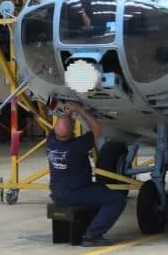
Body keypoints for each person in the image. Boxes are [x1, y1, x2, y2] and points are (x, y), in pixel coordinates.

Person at [46, 102, 127, 246]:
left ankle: (89, 226)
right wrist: (80, 110)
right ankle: (92, 235)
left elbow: (60, 129)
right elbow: (97, 129)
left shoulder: (51, 142)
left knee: (101, 189)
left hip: (57, 193)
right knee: (117, 199)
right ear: (72, 130)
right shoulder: (77, 146)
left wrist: (65, 114)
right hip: (76, 193)